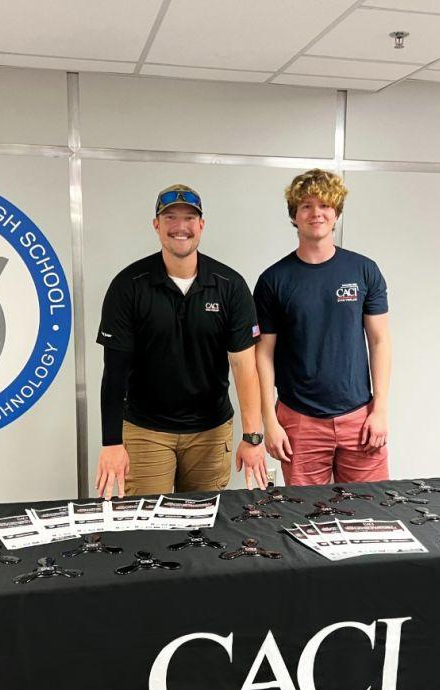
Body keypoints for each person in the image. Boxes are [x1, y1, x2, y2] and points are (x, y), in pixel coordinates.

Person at [95, 184, 268, 499]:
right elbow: (115, 372)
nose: (180, 226)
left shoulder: (230, 286)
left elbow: (245, 367)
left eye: (189, 217)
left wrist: (253, 438)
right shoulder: (128, 286)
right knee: (146, 526)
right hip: (146, 431)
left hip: (211, 433)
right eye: (170, 217)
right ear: (156, 225)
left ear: (201, 225)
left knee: (203, 528)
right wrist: (111, 443)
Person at [253, 169, 392, 485]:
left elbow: (380, 340)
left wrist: (380, 409)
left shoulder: (364, 271)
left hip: (360, 418)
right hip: (299, 421)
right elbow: (263, 354)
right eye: (306, 206)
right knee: (306, 517)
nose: (316, 213)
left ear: (337, 213)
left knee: (370, 514)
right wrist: (269, 421)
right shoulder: (273, 280)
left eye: (325, 205)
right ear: (294, 216)